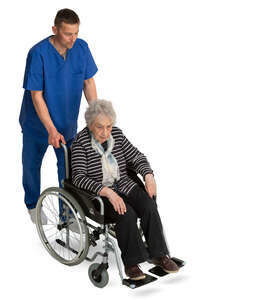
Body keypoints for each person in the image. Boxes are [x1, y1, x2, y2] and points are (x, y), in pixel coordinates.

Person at [71, 99, 179, 280]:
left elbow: (137, 157)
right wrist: (108, 192)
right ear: (90, 125)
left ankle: (158, 254)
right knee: (126, 214)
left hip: (124, 185)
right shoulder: (80, 144)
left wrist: (148, 176)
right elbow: (79, 178)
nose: (105, 132)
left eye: (109, 126)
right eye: (100, 127)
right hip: (101, 195)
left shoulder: (117, 136)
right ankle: (131, 263)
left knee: (149, 205)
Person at [19, 8, 98, 224]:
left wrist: (96, 114)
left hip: (67, 122)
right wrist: (50, 129)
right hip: (37, 124)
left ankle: (67, 213)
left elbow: (88, 82)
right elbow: (36, 96)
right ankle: (33, 205)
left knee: (68, 168)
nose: (73, 39)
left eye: (76, 33)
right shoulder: (38, 53)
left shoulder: (81, 48)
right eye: (67, 34)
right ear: (55, 30)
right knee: (31, 164)